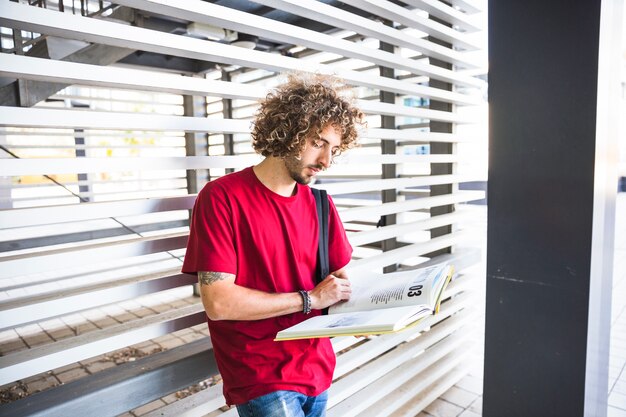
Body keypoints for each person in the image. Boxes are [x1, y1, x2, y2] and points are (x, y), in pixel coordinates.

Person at [182, 73, 365, 417]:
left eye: (334, 149)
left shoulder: (321, 205)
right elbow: (219, 303)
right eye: (317, 142)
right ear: (288, 131)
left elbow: (340, 284)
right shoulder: (222, 197)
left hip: (317, 366)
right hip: (262, 374)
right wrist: (310, 300)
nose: (326, 161)